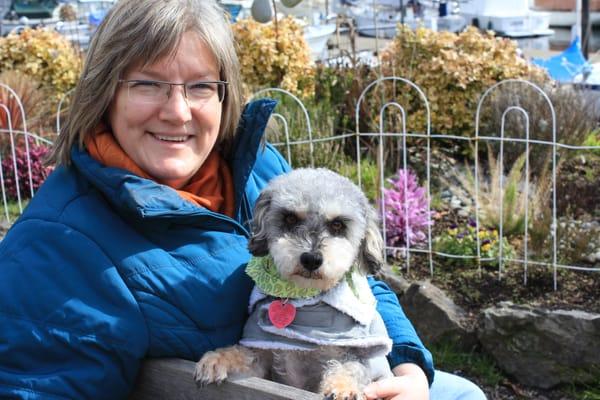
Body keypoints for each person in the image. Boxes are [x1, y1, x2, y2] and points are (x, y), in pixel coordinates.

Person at [0, 0, 487, 399]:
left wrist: (408, 369)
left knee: (460, 393)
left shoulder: (258, 170)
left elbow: (357, 281)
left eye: (200, 86)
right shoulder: (58, 243)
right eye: (147, 83)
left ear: (224, 95)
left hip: (350, 375)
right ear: (106, 92)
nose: (177, 111)